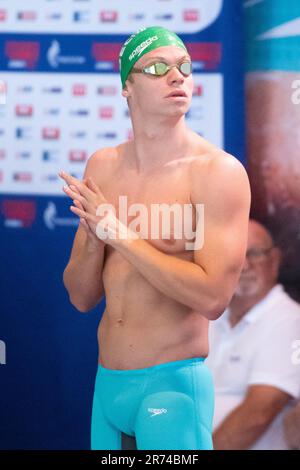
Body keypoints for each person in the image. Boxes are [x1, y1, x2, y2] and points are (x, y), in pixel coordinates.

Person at [59, 26, 251, 450]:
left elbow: (213, 298)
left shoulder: (217, 173)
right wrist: (94, 239)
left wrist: (120, 235)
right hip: (107, 386)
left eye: (184, 67)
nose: (177, 77)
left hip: (172, 387)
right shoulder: (103, 167)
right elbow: (80, 297)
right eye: (158, 67)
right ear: (127, 86)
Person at [206, 219, 300, 450]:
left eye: (255, 253)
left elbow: (258, 415)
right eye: (235, 255)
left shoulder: (290, 320)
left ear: (275, 259)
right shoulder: (204, 317)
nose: (245, 265)